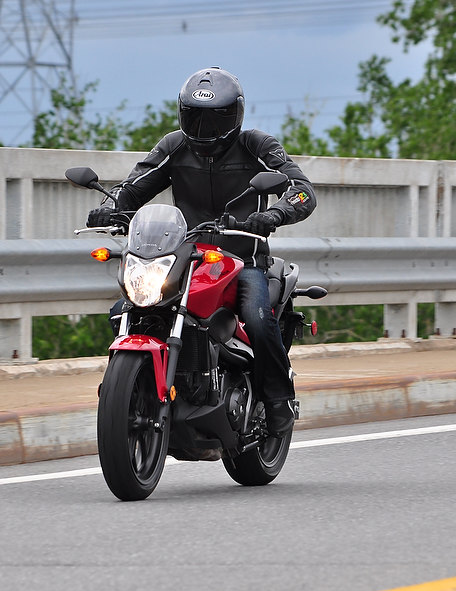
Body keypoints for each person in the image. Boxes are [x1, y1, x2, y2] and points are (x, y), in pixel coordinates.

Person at [86, 67, 316, 438]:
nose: (204, 127)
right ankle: (137, 391)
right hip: (185, 257)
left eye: (215, 118)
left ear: (234, 115)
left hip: (243, 261)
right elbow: (134, 187)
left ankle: (278, 401)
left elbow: (302, 190)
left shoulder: (256, 146)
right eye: (195, 116)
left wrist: (274, 214)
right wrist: (112, 207)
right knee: (124, 310)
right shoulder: (174, 146)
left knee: (257, 319)